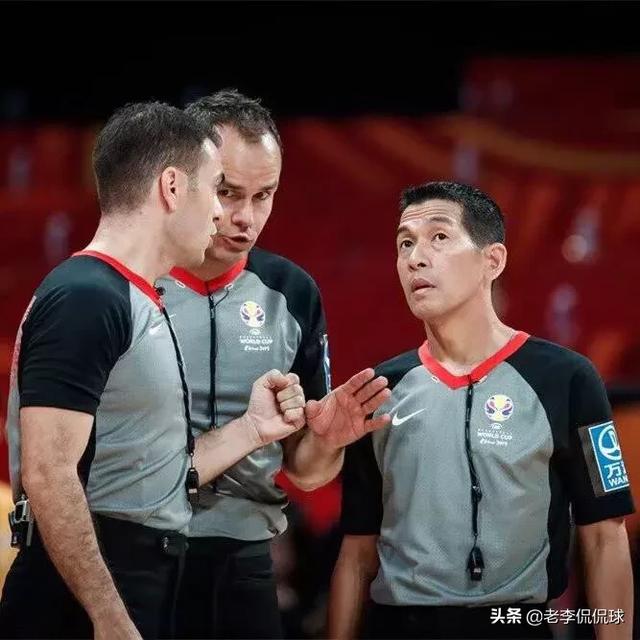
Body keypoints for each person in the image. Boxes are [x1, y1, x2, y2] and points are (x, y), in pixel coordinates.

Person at [0, 101, 306, 640]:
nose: (221, 214)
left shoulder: (136, 299)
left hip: (140, 577)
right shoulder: (87, 296)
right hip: (90, 587)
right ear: (171, 187)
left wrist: (252, 429)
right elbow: (49, 474)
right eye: (215, 188)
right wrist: (108, 616)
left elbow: (154, 474)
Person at [328, 181, 635, 640]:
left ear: (493, 260)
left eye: (439, 237)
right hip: (398, 626)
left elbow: (605, 535)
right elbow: (357, 553)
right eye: (405, 244)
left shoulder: (568, 379)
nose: (415, 258)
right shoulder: (379, 389)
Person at [156, 89, 391, 639]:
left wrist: (327, 440)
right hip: (137, 554)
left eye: (264, 196)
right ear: (180, 180)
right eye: (228, 192)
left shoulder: (292, 292)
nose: (246, 217)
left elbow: (305, 470)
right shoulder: (124, 285)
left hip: (246, 564)